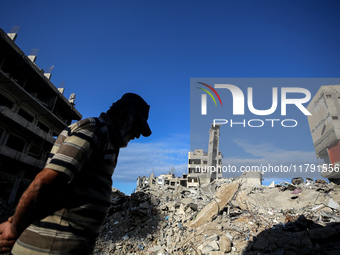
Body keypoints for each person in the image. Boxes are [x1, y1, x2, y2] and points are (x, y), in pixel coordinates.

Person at [0, 93, 151, 254]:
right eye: (137, 126)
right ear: (124, 116)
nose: (138, 134)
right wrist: (14, 227)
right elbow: (42, 184)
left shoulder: (108, 143)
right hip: (49, 248)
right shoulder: (94, 130)